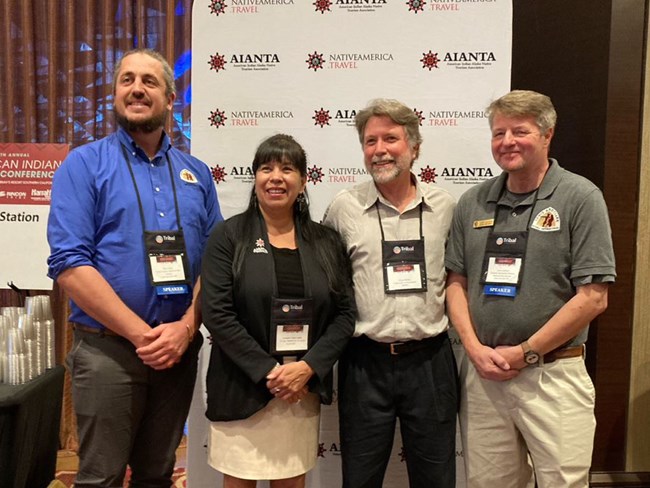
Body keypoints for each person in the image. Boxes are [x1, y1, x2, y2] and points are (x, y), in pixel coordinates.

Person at [47, 48, 222, 487]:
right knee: (99, 477)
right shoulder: (84, 165)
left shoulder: (196, 174)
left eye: (148, 81)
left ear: (169, 97)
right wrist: (141, 335)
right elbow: (69, 264)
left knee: (157, 475)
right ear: (115, 94)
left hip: (177, 354)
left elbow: (218, 264)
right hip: (108, 352)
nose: (137, 89)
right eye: (127, 80)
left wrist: (185, 328)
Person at [445, 90, 616, 487]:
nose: (506, 142)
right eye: (498, 132)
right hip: (484, 376)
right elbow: (456, 282)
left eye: (519, 131)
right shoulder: (473, 202)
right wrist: (473, 349)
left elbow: (593, 297)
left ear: (546, 134)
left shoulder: (580, 197)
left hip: (553, 375)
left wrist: (526, 352)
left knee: (563, 483)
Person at [201, 134, 355, 488]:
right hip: (243, 386)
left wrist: (308, 368)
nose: (276, 177)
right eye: (266, 168)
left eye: (287, 169)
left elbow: (345, 315)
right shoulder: (229, 236)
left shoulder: (326, 241)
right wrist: (270, 371)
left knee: (290, 480)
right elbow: (217, 313)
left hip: (300, 391)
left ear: (303, 181)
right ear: (254, 178)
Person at [323, 98, 459, 488]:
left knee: (436, 478)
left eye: (391, 139)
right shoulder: (343, 208)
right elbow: (328, 285)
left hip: (430, 362)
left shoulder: (445, 208)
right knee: (360, 479)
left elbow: (458, 280)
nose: (379, 149)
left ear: (414, 148)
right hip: (365, 363)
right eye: (370, 141)